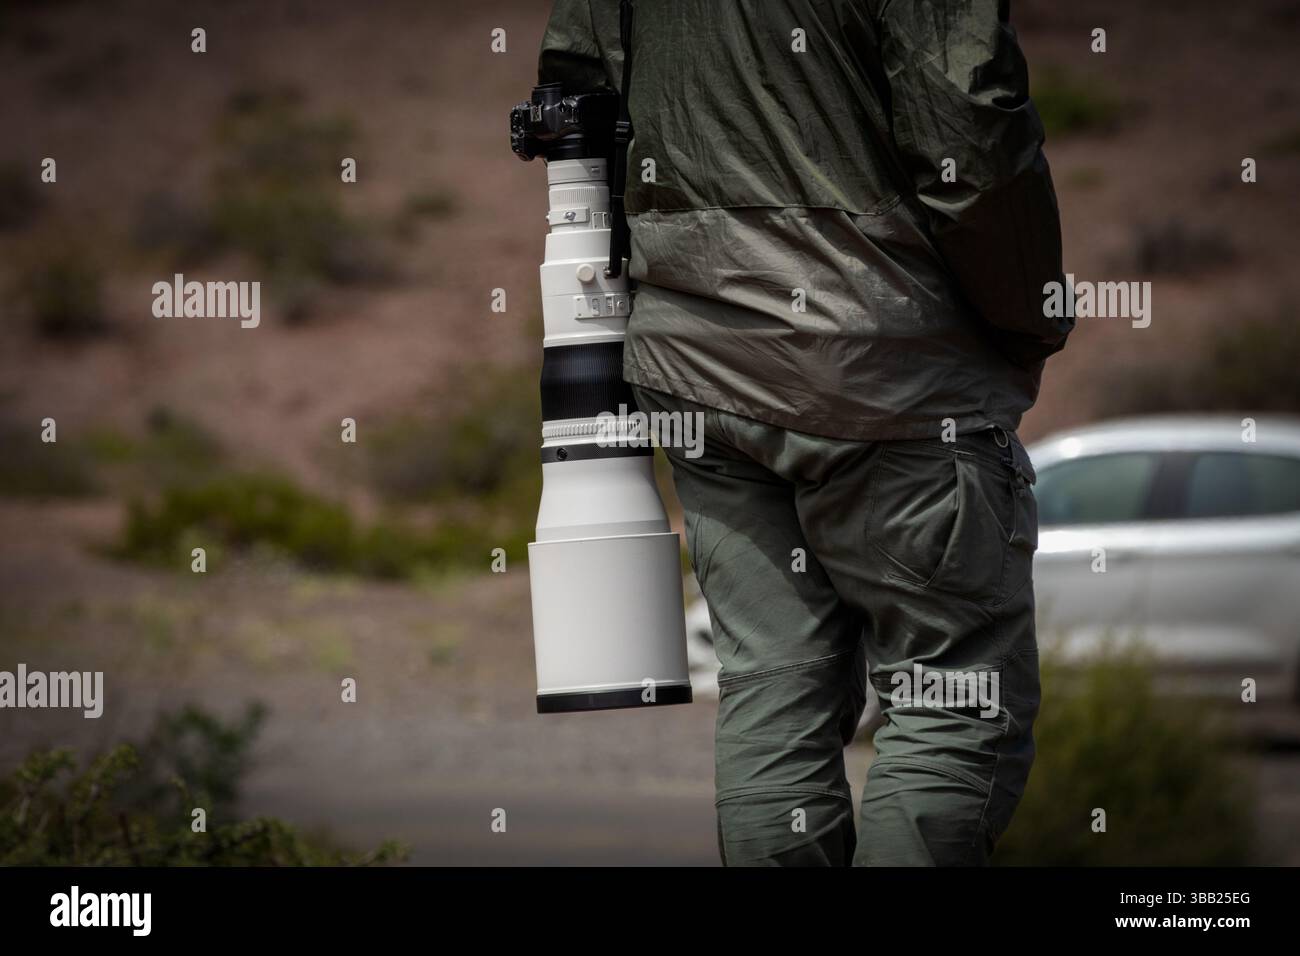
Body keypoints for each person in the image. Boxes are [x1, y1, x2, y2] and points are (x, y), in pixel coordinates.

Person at [537, 0, 1072, 865]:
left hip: (699, 375)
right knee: (949, 699)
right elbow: (969, 127)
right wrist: (1028, 313)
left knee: (773, 688)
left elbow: (577, 94)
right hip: (888, 371)